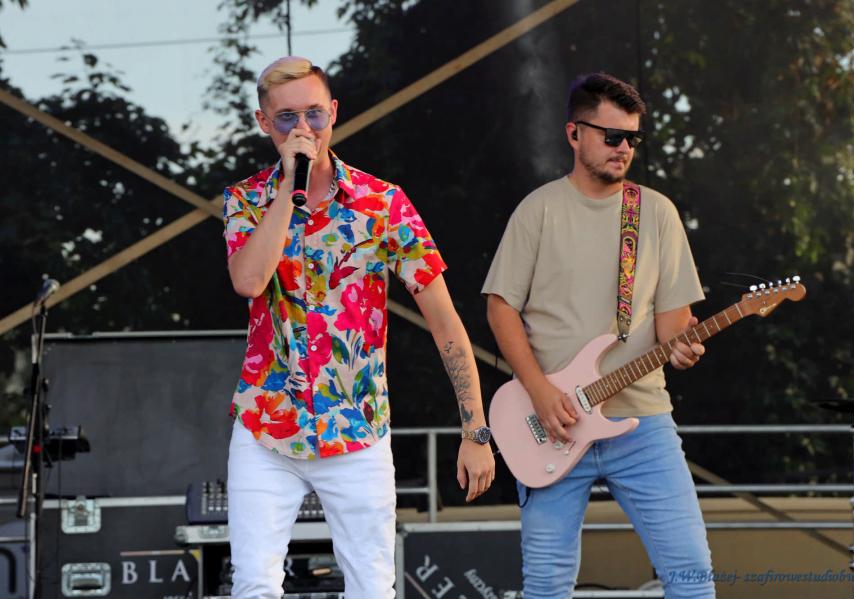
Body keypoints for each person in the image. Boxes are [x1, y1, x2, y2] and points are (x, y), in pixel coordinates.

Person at [222, 56, 495, 599]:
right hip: (266, 427)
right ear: (263, 123)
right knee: (254, 585)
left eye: (314, 114)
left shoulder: (382, 203)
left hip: (357, 427)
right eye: (287, 118)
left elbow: (445, 323)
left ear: (334, 113)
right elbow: (249, 281)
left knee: (372, 587)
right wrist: (288, 189)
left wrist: (476, 431)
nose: (303, 128)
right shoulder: (246, 199)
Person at [482, 73, 714, 598]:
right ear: (574, 134)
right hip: (553, 421)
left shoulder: (656, 213)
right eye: (612, 136)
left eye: (632, 138)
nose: (623, 148)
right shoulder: (538, 210)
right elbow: (500, 308)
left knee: (692, 577)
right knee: (546, 586)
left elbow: (673, 325)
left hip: (642, 422)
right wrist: (541, 392)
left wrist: (684, 346)